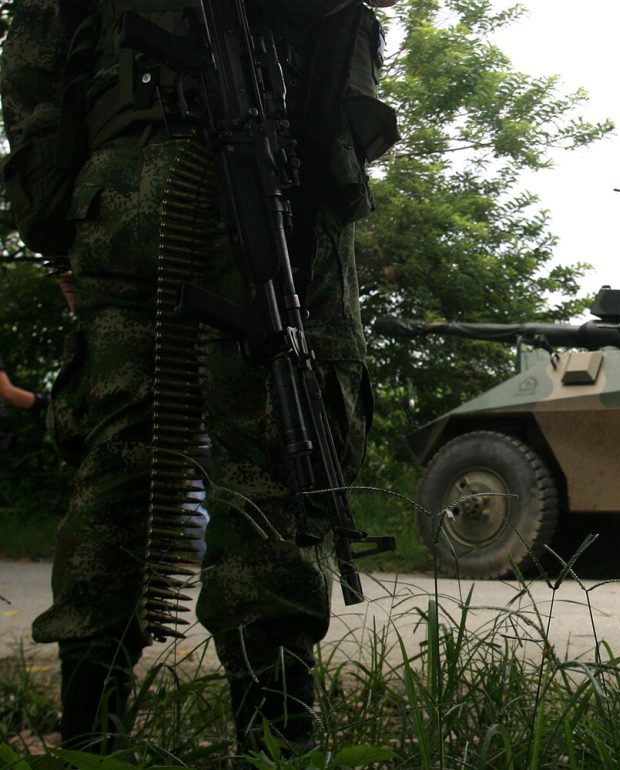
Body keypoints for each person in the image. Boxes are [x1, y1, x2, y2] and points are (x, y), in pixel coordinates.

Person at [1, 0, 399, 754]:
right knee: (278, 452)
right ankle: (276, 740)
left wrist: (59, 225)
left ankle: (91, 737)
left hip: (135, 185)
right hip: (282, 180)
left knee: (121, 453)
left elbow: (33, 78)